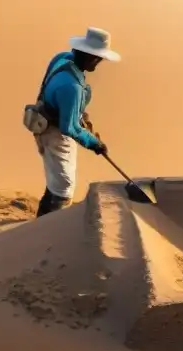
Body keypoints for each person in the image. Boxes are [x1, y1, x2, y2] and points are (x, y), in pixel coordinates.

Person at [32, 27, 120, 216]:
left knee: (56, 179)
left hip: (45, 121)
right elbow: (68, 127)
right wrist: (95, 144)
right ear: (90, 56)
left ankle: (40, 222)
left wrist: (79, 114)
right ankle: (47, 229)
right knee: (63, 188)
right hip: (55, 133)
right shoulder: (72, 86)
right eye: (98, 58)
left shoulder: (62, 58)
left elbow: (47, 87)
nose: (99, 62)